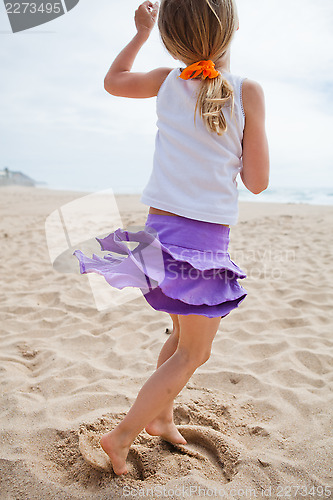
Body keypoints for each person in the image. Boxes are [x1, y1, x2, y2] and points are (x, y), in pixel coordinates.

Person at [73, 0, 269, 475]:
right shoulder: (247, 91)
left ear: (168, 37)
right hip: (201, 245)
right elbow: (258, 181)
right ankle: (120, 438)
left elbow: (113, 80)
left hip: (159, 234)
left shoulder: (165, 81)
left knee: (181, 335)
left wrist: (138, 34)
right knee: (194, 352)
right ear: (232, 30)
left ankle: (161, 416)